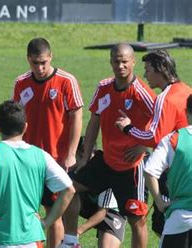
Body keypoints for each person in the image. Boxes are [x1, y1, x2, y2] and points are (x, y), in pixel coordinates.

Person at [62, 43, 156, 248]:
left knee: (136, 219)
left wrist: (142, 147)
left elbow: (160, 122)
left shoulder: (142, 92)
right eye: (116, 61)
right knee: (68, 188)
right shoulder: (104, 87)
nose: (120, 65)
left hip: (132, 166)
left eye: (124, 61)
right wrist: (86, 157)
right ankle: (70, 242)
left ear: (133, 62)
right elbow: (94, 122)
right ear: (111, 62)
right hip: (106, 160)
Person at [0, 100, 75, 247]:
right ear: (25, 127)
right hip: (31, 239)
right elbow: (69, 189)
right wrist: (46, 222)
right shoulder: (40, 155)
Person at [12, 37, 83, 248]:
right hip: (29, 159)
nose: (40, 67)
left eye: (44, 62)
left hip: (56, 159)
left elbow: (76, 116)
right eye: (35, 63)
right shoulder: (21, 83)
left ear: (51, 57)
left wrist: (71, 153)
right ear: (28, 60)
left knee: (53, 213)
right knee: (27, 210)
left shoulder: (66, 81)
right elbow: (15, 119)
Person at [115, 49, 192, 237]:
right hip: (186, 165)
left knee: (163, 222)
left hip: (170, 169)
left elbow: (154, 137)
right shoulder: (187, 90)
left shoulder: (164, 98)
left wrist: (128, 128)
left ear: (160, 70)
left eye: (148, 69)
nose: (145, 75)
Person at [143, 94, 192, 248]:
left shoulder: (174, 139)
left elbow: (149, 170)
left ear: (186, 112)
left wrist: (159, 202)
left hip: (180, 218)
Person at [74, 137, 126, 248]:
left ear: (94, 154)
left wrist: (78, 231)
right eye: (80, 156)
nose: (85, 161)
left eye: (88, 157)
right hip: (87, 208)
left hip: (109, 214)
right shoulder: (73, 171)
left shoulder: (103, 174)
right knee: (66, 198)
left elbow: (102, 213)